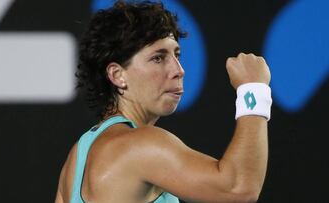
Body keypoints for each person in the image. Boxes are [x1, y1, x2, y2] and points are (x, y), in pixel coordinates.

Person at [55, 1, 272, 203]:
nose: (179, 70)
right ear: (117, 75)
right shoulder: (141, 144)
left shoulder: (77, 158)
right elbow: (239, 188)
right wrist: (253, 89)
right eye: (158, 58)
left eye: (176, 55)